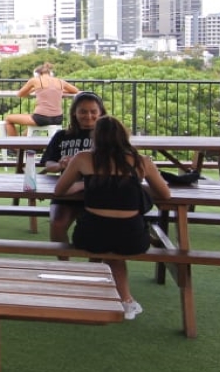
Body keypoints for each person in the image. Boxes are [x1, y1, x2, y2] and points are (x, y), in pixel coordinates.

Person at [55, 116, 172, 320]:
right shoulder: (141, 161)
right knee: (113, 246)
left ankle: (102, 295)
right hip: (132, 239)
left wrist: (85, 184)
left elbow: (60, 190)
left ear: (95, 137)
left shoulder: (83, 158)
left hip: (90, 236)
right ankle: (124, 300)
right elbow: (165, 195)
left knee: (104, 241)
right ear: (123, 136)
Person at [38, 91, 106, 246]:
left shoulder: (107, 136)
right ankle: (64, 264)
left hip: (98, 191)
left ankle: (94, 267)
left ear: (100, 112)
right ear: (74, 113)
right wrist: (60, 165)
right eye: (83, 111)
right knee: (57, 224)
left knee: (99, 230)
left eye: (93, 111)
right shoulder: (62, 136)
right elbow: (48, 163)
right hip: (66, 189)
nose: (88, 116)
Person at [5, 62, 79, 136]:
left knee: (8, 119)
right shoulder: (60, 81)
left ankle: (15, 147)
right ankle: (24, 145)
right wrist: (58, 91)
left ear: (37, 74)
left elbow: (20, 94)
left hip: (41, 118)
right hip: (58, 118)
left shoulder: (35, 80)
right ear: (51, 73)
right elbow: (75, 90)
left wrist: (34, 89)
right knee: (31, 127)